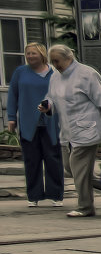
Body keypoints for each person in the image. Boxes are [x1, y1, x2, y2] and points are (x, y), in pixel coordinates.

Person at [43, 45, 101, 217]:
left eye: (56, 61)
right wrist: (47, 106)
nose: (54, 65)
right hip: (67, 132)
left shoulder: (87, 74)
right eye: (52, 62)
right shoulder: (55, 76)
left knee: (78, 169)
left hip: (87, 130)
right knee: (71, 169)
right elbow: (52, 98)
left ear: (68, 58)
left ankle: (85, 207)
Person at [5, 42, 64, 208]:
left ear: (42, 54)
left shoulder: (55, 72)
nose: (30, 56)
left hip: (52, 123)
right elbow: (13, 95)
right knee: (32, 160)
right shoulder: (20, 72)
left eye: (33, 53)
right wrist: (11, 118)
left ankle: (56, 194)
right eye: (28, 53)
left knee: (53, 159)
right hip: (28, 122)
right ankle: (34, 195)